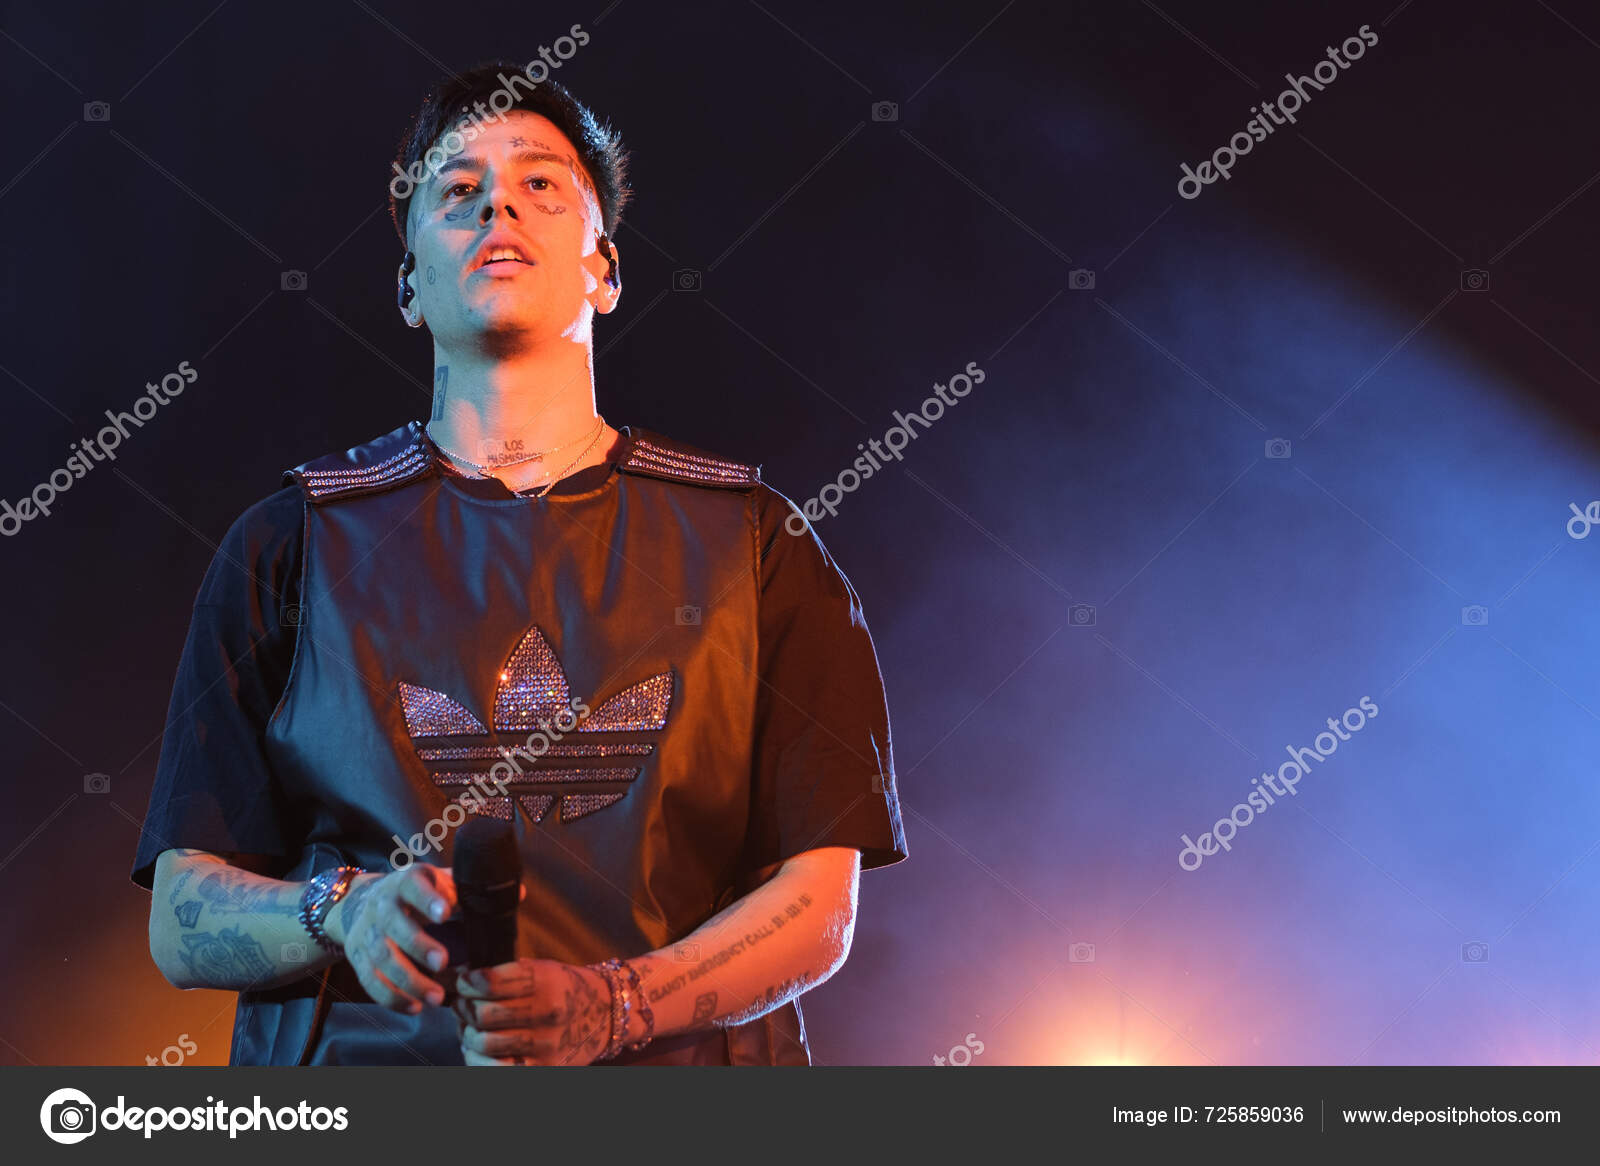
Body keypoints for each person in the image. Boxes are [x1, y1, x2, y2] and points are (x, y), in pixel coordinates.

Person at [130, 61, 907, 1066]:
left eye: (541, 182)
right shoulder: (288, 543)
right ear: (409, 284)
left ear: (606, 270)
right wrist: (347, 913)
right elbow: (181, 914)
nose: (497, 199)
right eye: (454, 190)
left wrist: (615, 1003)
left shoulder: (760, 541)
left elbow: (817, 901)